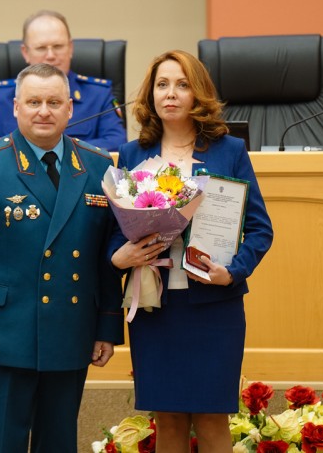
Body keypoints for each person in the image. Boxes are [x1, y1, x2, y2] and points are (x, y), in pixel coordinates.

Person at [0, 63, 125, 452]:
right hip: (1, 336)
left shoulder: (98, 166)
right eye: (34, 101)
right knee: (1, 444)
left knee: (58, 444)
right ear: (16, 107)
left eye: (54, 102)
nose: (44, 111)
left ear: (70, 109)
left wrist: (107, 326)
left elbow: (104, 255)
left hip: (70, 331)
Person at [110, 50, 274, 452]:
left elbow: (259, 229)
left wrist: (233, 271)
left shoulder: (228, 150)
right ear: (150, 96)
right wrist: (122, 255)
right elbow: (116, 229)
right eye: (162, 85)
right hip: (155, 304)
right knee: (167, 421)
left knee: (213, 420)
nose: (171, 94)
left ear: (197, 92)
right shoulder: (133, 153)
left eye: (182, 85)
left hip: (213, 305)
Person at [0, 10, 127, 151]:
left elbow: (117, 142)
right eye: (41, 48)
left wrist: (59, 150)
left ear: (70, 48)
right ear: (25, 52)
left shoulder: (99, 95)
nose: (50, 55)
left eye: (58, 46)